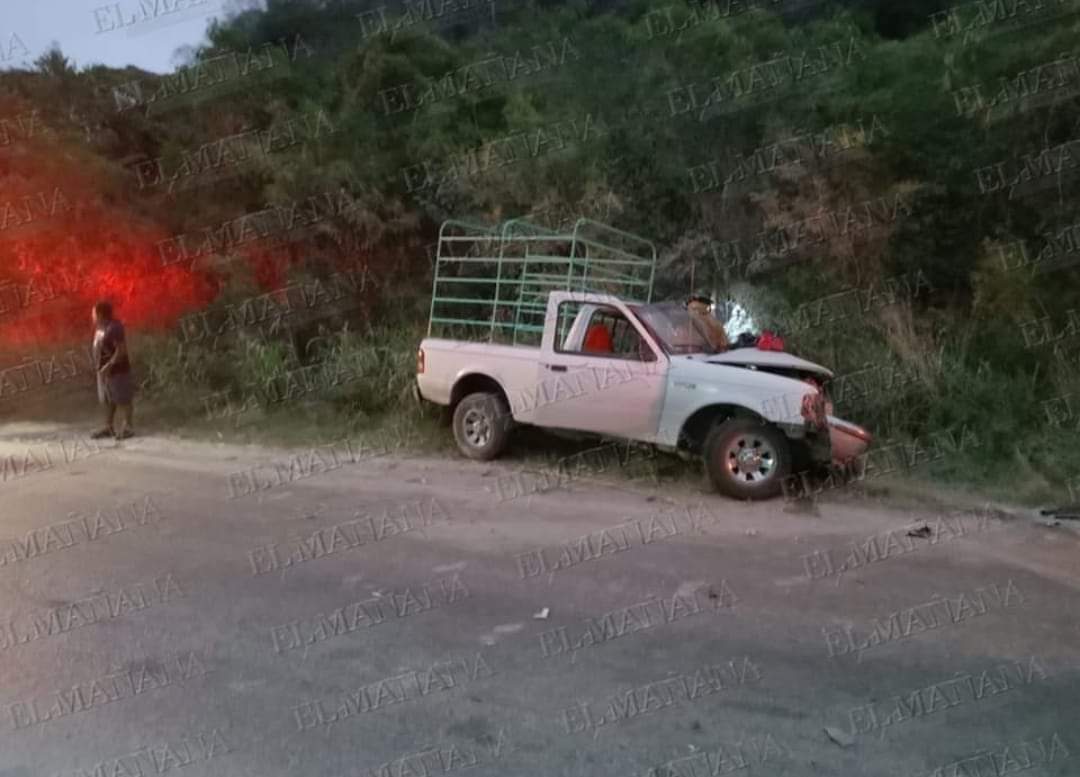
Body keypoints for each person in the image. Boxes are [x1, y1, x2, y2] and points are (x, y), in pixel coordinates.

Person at [91, 300, 135, 439]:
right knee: (109, 399)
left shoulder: (114, 327)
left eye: (93, 313)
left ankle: (128, 427)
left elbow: (121, 350)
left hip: (118, 370)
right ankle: (108, 427)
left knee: (123, 398)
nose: (92, 316)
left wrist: (108, 365)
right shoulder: (101, 329)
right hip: (104, 371)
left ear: (100, 314)